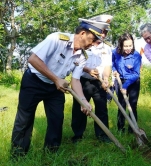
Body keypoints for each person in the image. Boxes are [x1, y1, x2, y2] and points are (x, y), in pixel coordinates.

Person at [11, 19, 106, 157]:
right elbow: (33, 59)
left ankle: (51, 154)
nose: (93, 44)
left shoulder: (83, 56)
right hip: (34, 82)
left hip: (55, 89)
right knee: (24, 119)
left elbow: (76, 80)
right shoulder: (57, 39)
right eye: (93, 39)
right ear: (83, 33)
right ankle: (18, 155)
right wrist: (56, 79)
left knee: (57, 119)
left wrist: (83, 101)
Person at [71, 15, 113, 143]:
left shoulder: (107, 48)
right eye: (102, 31)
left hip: (99, 83)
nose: (103, 34)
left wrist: (106, 78)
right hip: (82, 81)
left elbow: (107, 65)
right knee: (79, 110)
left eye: (105, 32)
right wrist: (88, 70)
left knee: (102, 110)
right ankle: (77, 135)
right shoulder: (84, 44)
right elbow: (75, 62)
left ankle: (102, 135)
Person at [112, 33, 142, 133]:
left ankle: (132, 130)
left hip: (133, 82)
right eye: (125, 46)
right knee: (121, 105)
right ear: (121, 45)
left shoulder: (136, 56)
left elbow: (136, 74)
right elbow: (111, 63)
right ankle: (120, 129)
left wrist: (125, 86)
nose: (128, 48)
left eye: (130, 45)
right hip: (120, 80)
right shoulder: (115, 53)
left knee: (132, 105)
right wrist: (114, 70)